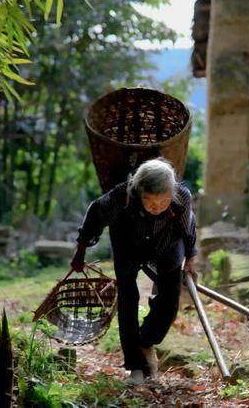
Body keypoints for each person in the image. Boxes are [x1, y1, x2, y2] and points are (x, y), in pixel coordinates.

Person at [71, 158, 198, 385]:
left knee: (169, 301)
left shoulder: (182, 197)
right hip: (128, 246)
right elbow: (95, 215)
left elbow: (188, 227)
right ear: (140, 193)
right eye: (150, 204)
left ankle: (146, 341)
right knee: (128, 301)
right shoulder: (122, 197)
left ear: (171, 194)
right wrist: (80, 251)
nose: (157, 208)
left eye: (163, 202)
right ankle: (135, 366)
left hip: (167, 245)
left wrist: (191, 258)